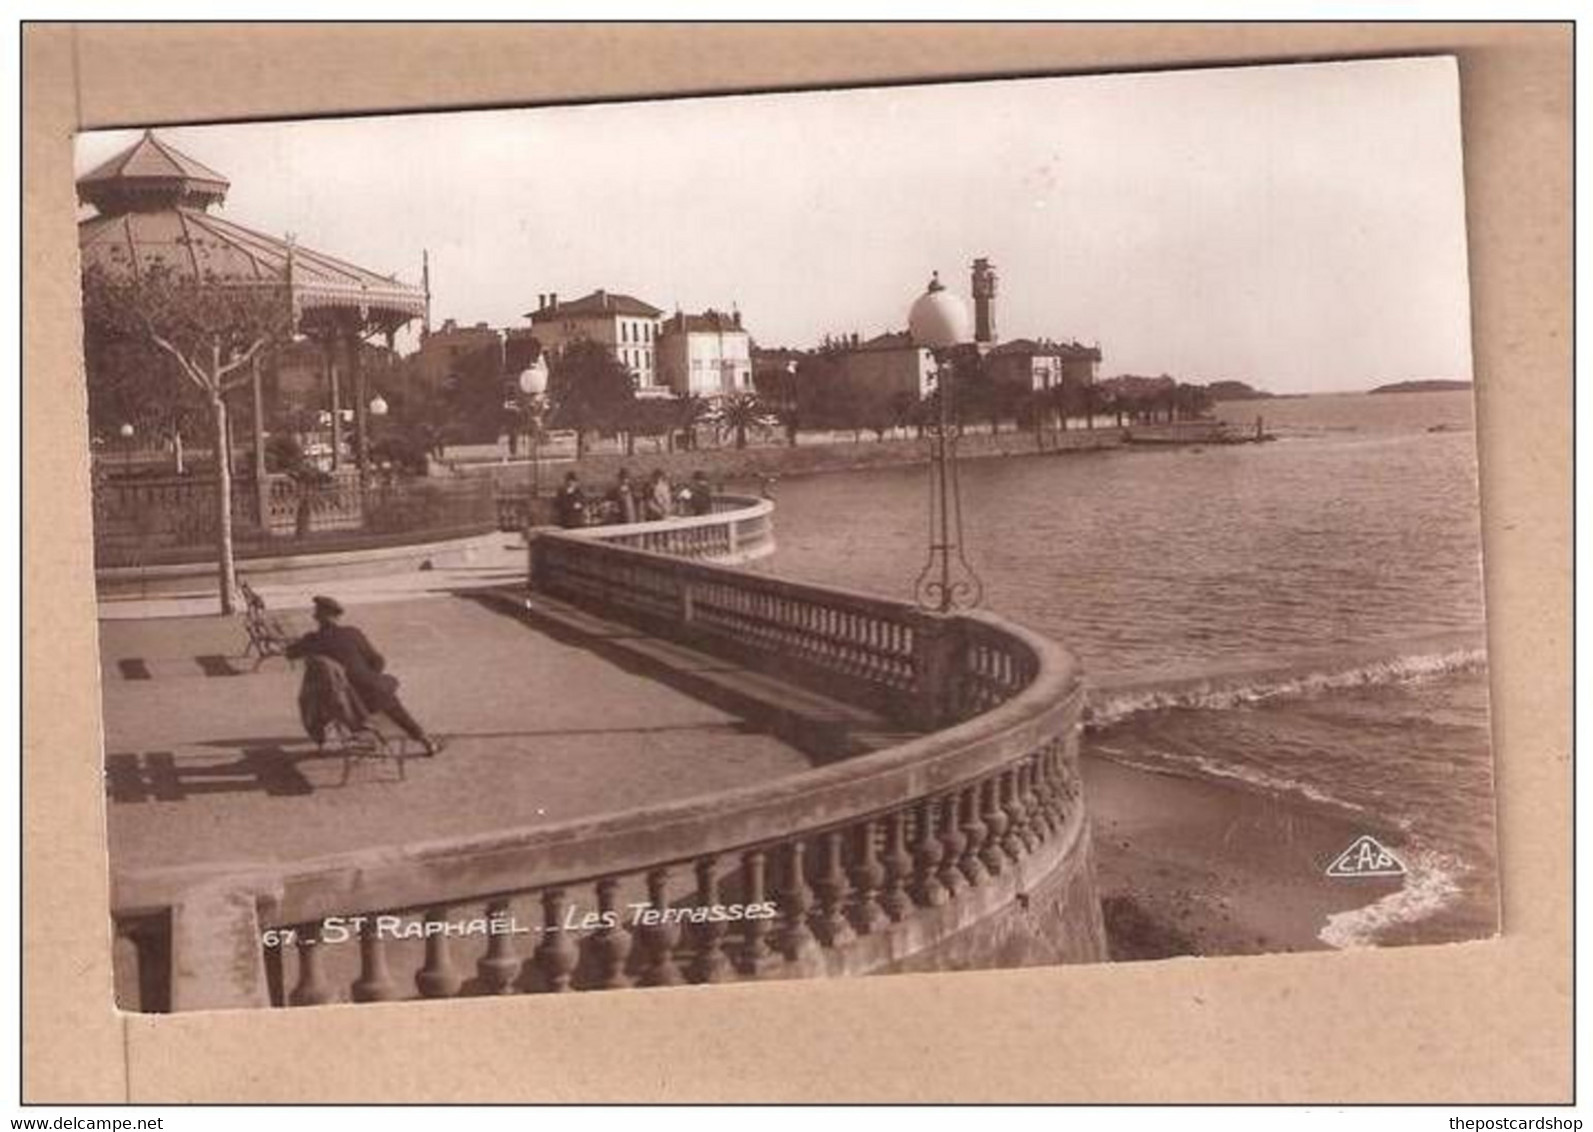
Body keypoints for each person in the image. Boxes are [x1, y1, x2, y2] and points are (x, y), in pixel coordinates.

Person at [286, 596, 443, 756]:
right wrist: (365, 674)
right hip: (369, 696)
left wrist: (302, 643)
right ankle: (426, 741)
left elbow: (290, 653)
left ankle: (358, 735)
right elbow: (378, 661)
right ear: (338, 616)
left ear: (316, 617)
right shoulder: (352, 633)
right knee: (387, 693)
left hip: (342, 703)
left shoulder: (312, 640)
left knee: (371, 689)